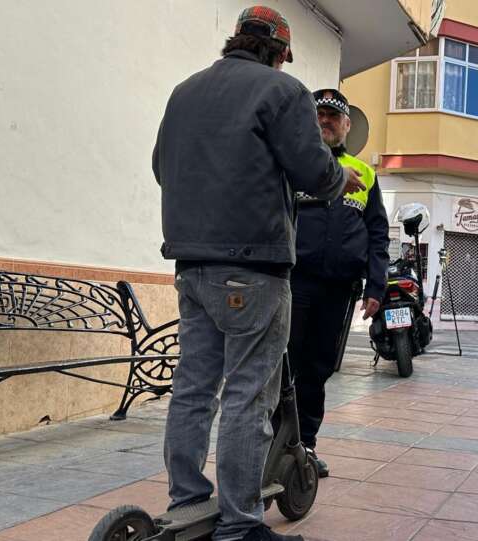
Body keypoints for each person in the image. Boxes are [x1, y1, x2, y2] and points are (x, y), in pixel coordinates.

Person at [152, 6, 363, 541]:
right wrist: (342, 180)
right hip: (254, 267)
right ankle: (240, 523)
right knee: (250, 393)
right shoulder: (282, 91)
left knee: (194, 387)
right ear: (278, 52)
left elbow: (162, 166)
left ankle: (187, 500)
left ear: (236, 41)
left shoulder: (185, 91)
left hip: (191, 264)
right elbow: (313, 168)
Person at [280, 89, 390, 477]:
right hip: (293, 284)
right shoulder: (292, 165)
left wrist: (377, 287)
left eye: (334, 117)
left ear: (347, 126)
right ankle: (274, 444)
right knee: (282, 366)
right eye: (319, 115)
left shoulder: (366, 173)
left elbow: (378, 233)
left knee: (318, 369)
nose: (326, 121)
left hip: (339, 290)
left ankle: (304, 449)